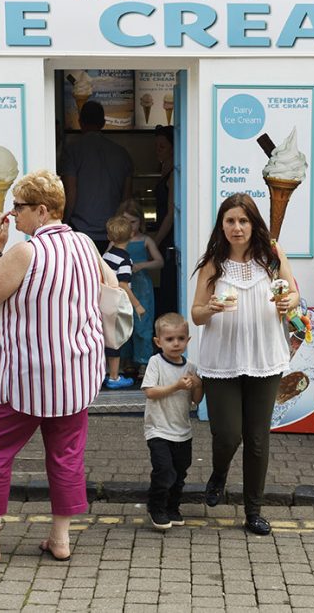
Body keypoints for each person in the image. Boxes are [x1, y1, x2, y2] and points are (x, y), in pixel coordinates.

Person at [0, 170, 106, 568]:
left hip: (28, 376)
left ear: (42, 211)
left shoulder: (27, 251)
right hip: (76, 372)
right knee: (66, 454)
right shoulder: (84, 243)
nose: (13, 213)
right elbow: (110, 284)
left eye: (20, 207)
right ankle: (60, 539)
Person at [192, 193, 297, 536]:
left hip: (265, 357)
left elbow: (293, 294)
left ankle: (253, 510)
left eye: (243, 221)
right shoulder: (213, 264)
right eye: (230, 221)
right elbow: (195, 314)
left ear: (254, 224)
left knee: (256, 438)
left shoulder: (271, 256)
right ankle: (219, 472)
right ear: (221, 226)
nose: (237, 228)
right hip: (221, 359)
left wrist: (288, 303)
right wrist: (211, 309)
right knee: (227, 434)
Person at [142, 312, 202, 530]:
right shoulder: (155, 362)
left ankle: (173, 507)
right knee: (164, 470)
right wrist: (176, 386)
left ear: (188, 340)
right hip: (158, 429)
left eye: (180, 338)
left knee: (180, 472)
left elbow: (196, 401)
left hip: (182, 431)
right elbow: (150, 392)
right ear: (158, 342)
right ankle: (156, 507)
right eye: (169, 339)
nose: (176, 343)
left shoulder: (191, 367)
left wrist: (198, 384)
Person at [62, 100, 134, 252]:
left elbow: (71, 192)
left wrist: (64, 222)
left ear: (80, 122)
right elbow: (127, 200)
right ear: (103, 123)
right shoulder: (122, 154)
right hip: (113, 233)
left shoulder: (72, 151)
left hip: (80, 231)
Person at [118, 198, 164, 378]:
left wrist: (142, 265)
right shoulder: (117, 241)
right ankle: (127, 360)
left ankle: (144, 361)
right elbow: (105, 259)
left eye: (133, 222)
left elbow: (159, 261)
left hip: (141, 287)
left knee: (142, 324)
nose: (130, 226)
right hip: (123, 287)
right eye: (125, 222)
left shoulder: (145, 240)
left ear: (141, 221)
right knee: (124, 323)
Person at [102, 214, 145, 390]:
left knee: (105, 337)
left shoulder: (106, 255)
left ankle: (104, 372)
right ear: (131, 236)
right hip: (116, 302)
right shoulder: (125, 260)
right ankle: (113, 376)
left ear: (109, 237)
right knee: (116, 339)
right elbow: (123, 284)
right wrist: (137, 305)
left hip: (103, 299)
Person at [152, 125, 178, 315]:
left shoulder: (173, 176)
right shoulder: (165, 170)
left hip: (169, 238)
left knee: (169, 282)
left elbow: (171, 214)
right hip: (164, 236)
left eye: (162, 146)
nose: (157, 151)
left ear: (173, 147)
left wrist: (155, 241)